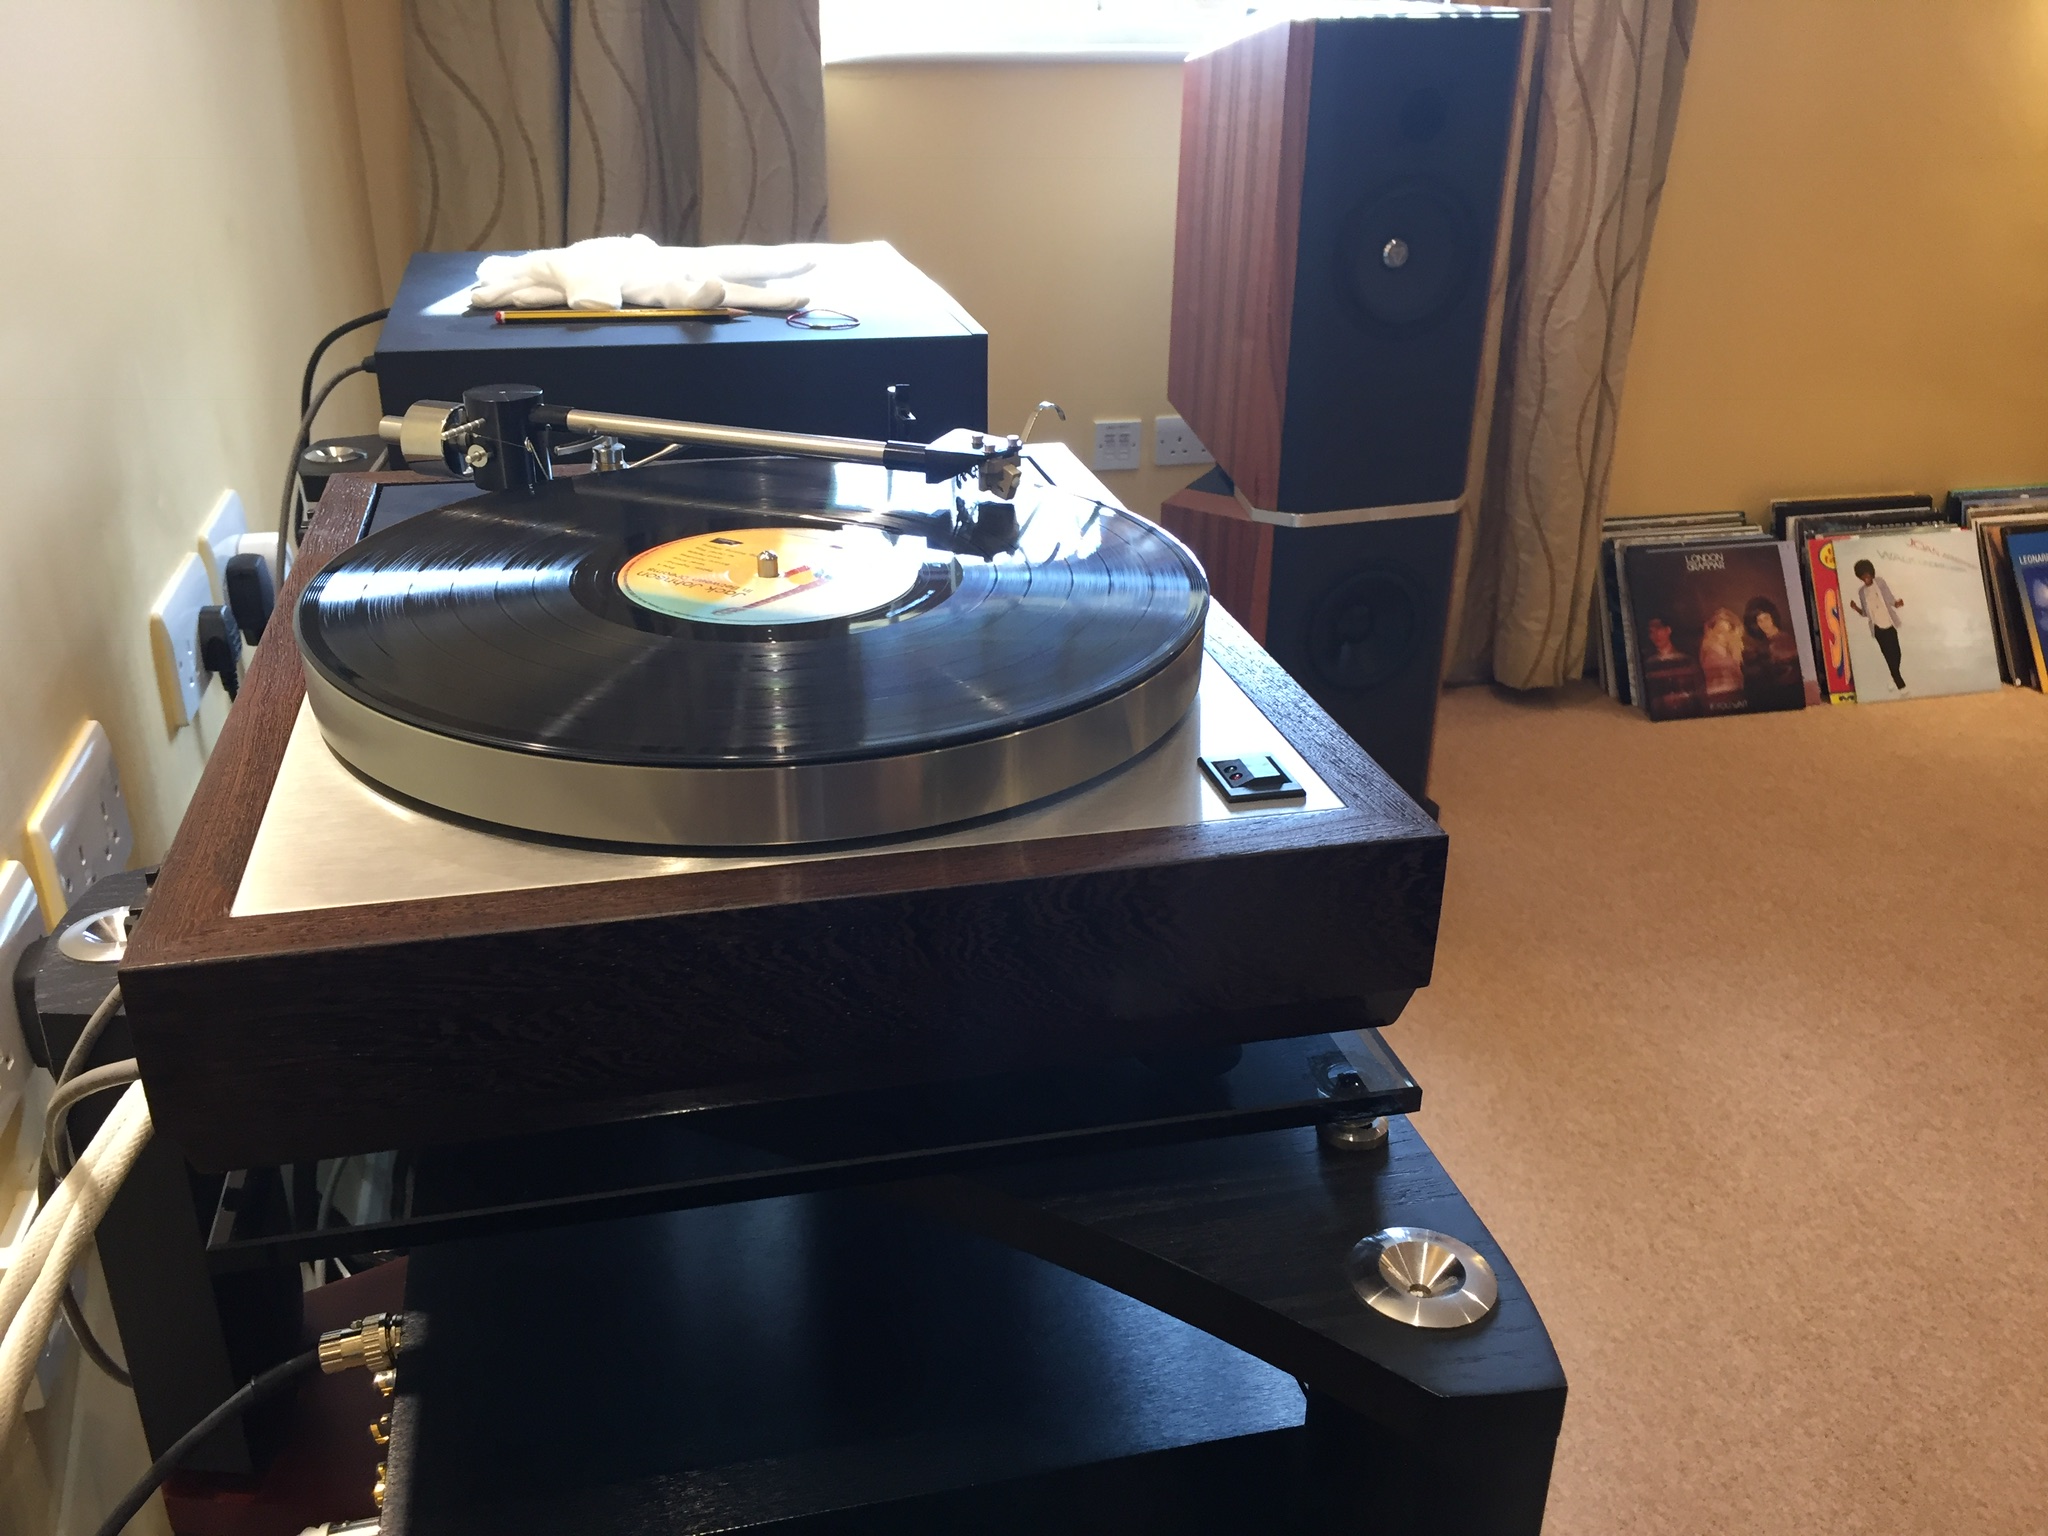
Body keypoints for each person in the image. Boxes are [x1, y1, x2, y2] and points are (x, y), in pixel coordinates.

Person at [1847, 557, 1906, 690]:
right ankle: (1901, 685)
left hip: (1889, 623)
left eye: (1867, 575)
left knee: (1897, 653)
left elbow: (1889, 598)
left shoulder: (1880, 582)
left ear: (1871, 572)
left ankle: (1894, 676)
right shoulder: (1861, 592)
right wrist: (1855, 608)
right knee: (1888, 654)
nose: (1866, 578)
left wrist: (1897, 603)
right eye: (1863, 576)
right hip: (1878, 628)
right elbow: (1866, 613)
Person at [1742, 596, 1804, 708]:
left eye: (1766, 618)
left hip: (1790, 692)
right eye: (1759, 621)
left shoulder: (1786, 639)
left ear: (1773, 617)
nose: (1764, 623)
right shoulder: (1762, 645)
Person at [1639, 616, 1703, 719]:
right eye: (1651, 632)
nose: (1656, 635)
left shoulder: (1686, 659)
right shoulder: (1649, 663)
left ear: (1668, 630)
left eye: (1659, 629)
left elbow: (1698, 690)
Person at [1697, 606, 1747, 709]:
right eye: (1720, 631)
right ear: (1712, 631)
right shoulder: (1709, 650)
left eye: (1727, 632)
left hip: (1737, 696)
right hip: (1716, 697)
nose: (1723, 636)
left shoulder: (1734, 650)